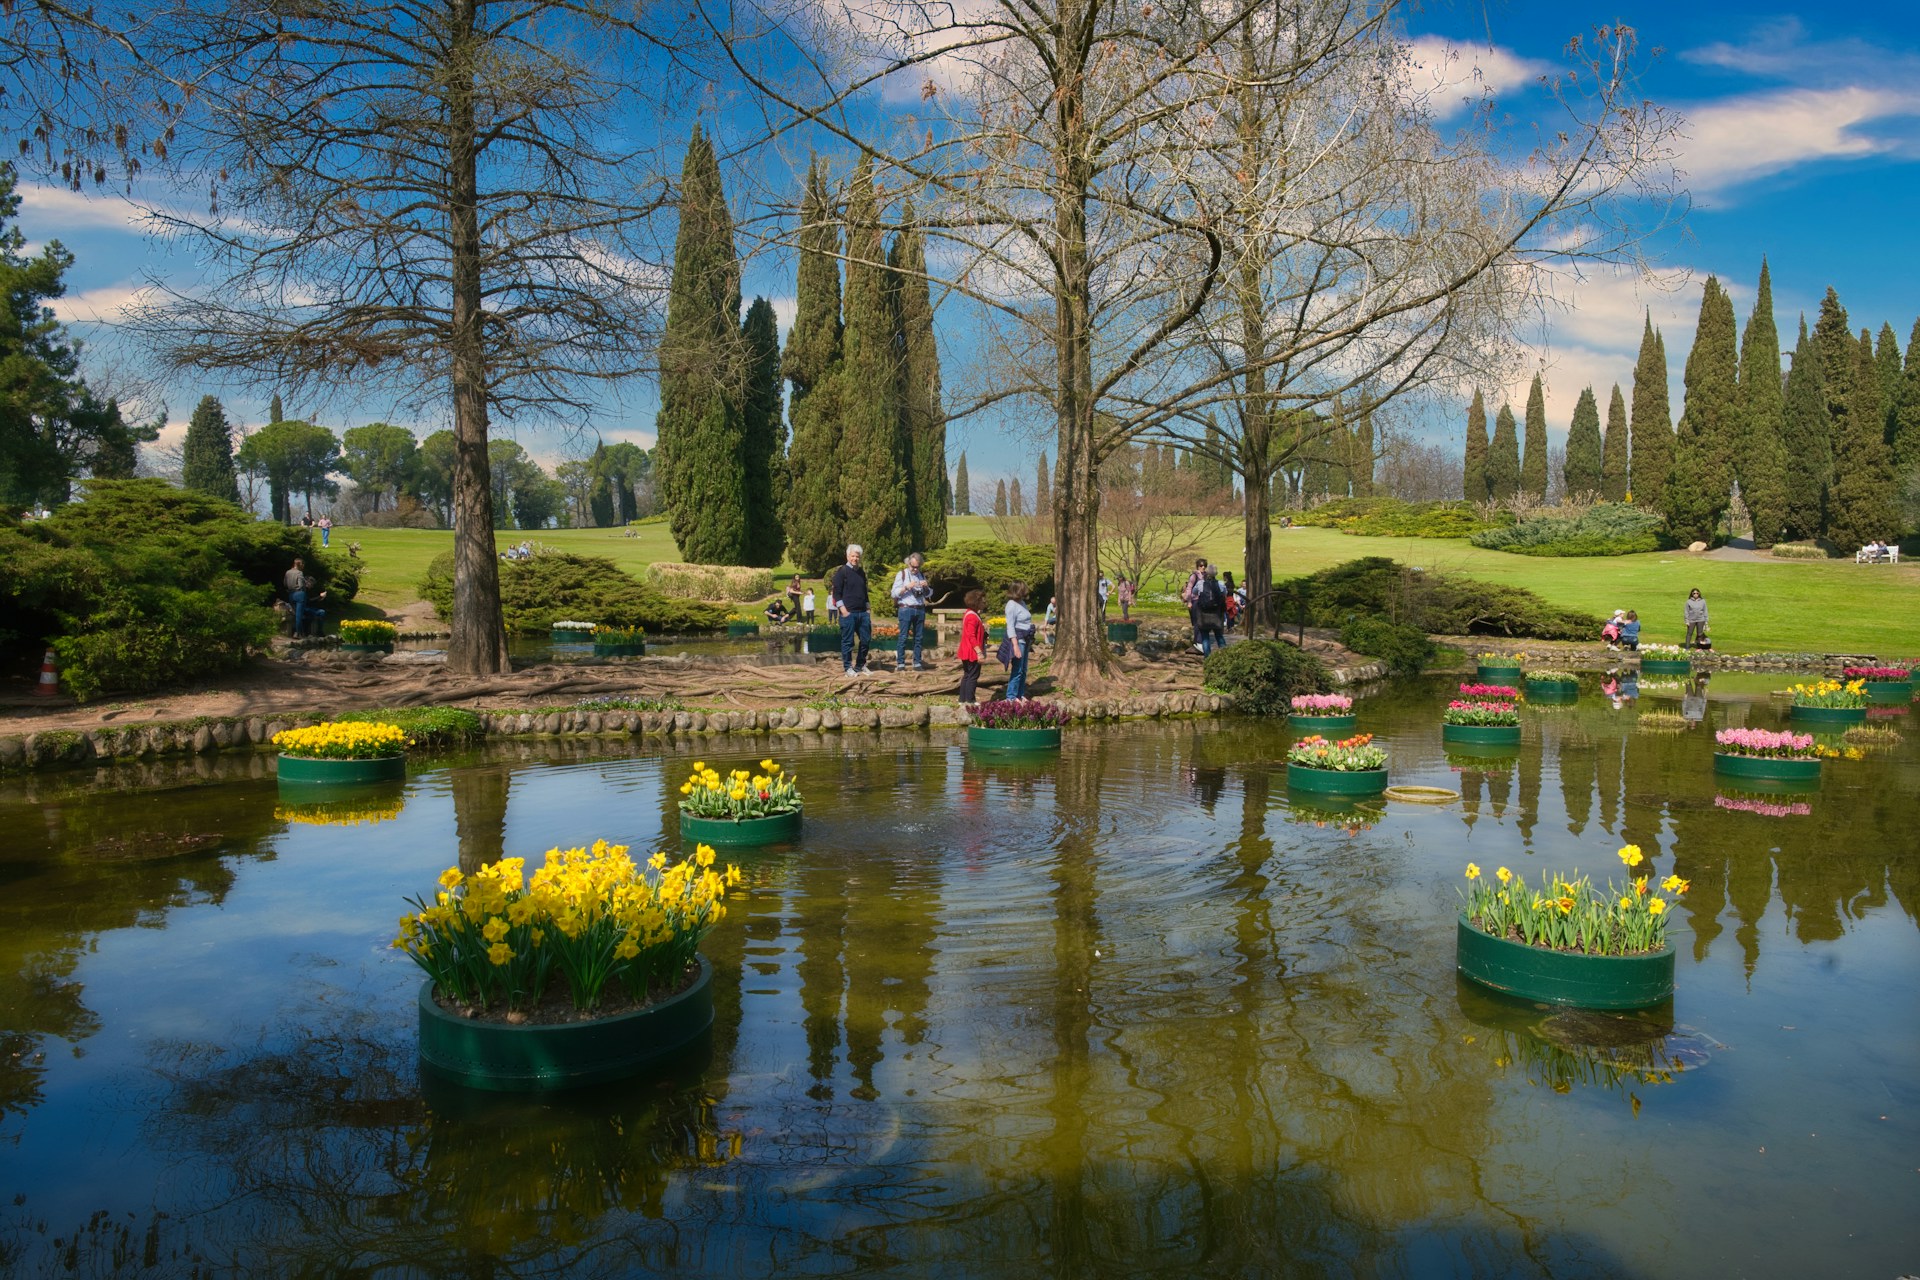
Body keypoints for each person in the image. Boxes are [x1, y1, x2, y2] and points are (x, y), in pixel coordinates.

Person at [829, 544, 873, 675]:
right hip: (848, 613)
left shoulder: (861, 572)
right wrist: (843, 610)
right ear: (848, 556)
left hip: (862, 613)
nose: (855, 558)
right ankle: (848, 668)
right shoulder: (842, 572)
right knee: (848, 642)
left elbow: (864, 591)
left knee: (865, 640)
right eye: (853, 556)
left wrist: (868, 607)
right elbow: (836, 593)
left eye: (857, 556)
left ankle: (860, 665)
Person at [890, 552, 933, 672]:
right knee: (903, 637)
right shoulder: (902, 574)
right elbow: (894, 593)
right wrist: (907, 587)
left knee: (919, 637)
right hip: (906, 608)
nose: (914, 569)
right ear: (908, 563)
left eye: (917, 567)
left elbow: (929, 594)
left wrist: (926, 587)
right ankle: (901, 663)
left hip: (919, 609)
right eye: (912, 566)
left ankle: (917, 662)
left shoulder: (921, 575)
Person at [956, 588, 988, 704]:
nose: (985, 602)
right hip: (971, 651)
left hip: (966, 649)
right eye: (982, 600)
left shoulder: (970, 613)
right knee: (973, 675)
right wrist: (979, 652)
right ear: (976, 601)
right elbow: (971, 636)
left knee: (967, 674)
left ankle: (962, 699)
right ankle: (970, 700)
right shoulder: (972, 617)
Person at [1004, 582, 1035, 699]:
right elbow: (1010, 626)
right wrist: (1015, 645)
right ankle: (1011, 697)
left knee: (1024, 670)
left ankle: (1020, 695)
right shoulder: (1011, 605)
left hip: (1026, 639)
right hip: (1018, 640)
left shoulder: (1022, 603)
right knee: (1017, 670)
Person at [1193, 566, 1227, 655]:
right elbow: (1225, 594)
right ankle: (1225, 655)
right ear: (1216, 573)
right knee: (1219, 635)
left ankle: (1207, 657)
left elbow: (1194, 592)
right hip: (1216, 614)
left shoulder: (1200, 583)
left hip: (1203, 614)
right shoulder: (1221, 584)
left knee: (1205, 637)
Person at [284, 557, 311, 636]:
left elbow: (285, 584)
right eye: (303, 564)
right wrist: (306, 586)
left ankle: (298, 632)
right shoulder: (299, 573)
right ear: (300, 564)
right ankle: (298, 632)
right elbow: (301, 585)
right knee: (299, 615)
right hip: (299, 594)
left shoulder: (287, 572)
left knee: (294, 613)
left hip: (291, 594)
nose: (303, 566)